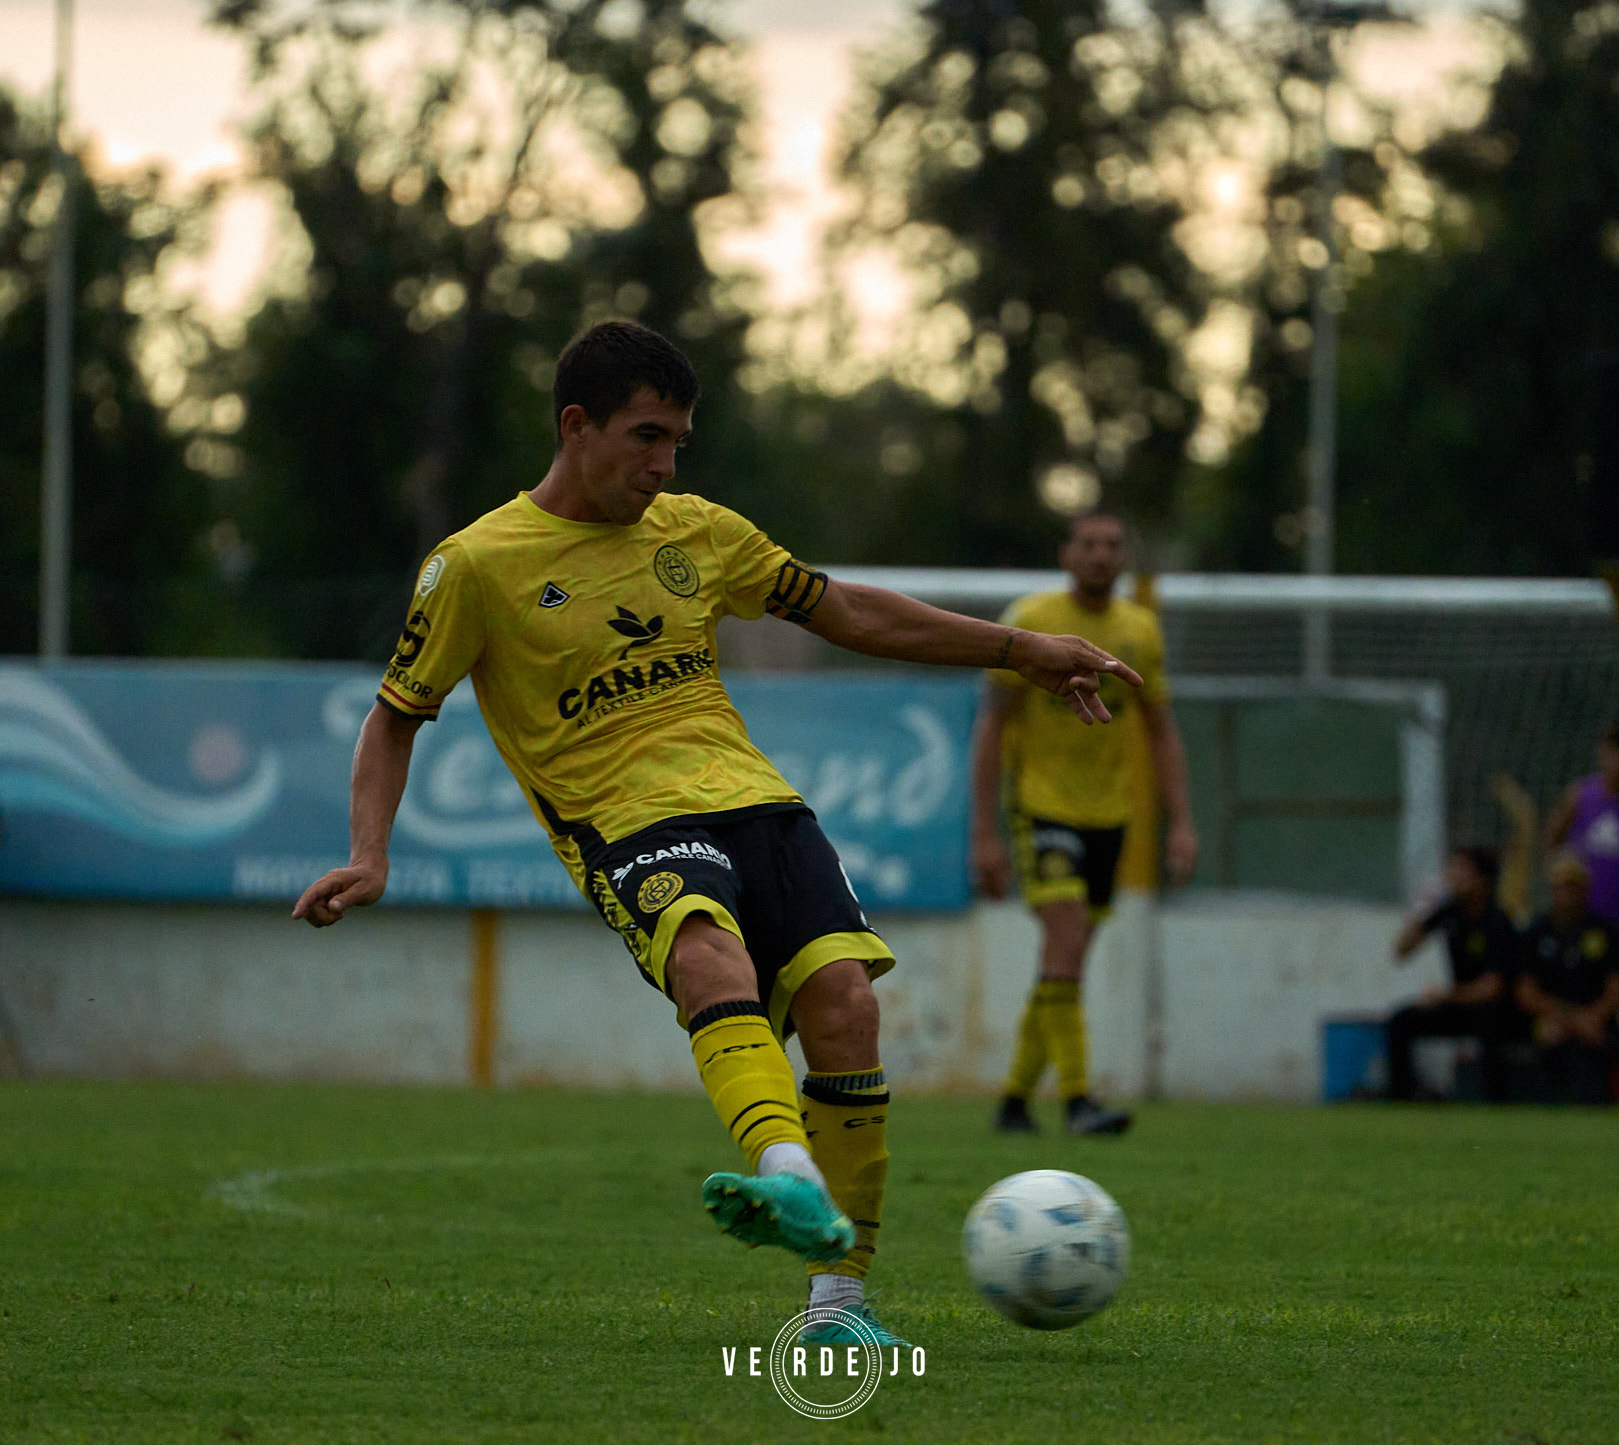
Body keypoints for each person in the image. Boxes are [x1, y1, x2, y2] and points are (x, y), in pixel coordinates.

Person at [291, 321, 1144, 1348]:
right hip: (621, 817)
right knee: (708, 952)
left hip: (758, 802)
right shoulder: (475, 564)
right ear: (576, 425)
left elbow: (847, 611)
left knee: (844, 1007)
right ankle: (784, 1170)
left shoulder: (698, 531)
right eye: (645, 436)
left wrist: (1016, 649)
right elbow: (394, 714)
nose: (663, 463)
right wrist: (370, 851)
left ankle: (838, 1307)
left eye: (677, 442)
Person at [968, 512, 1197, 1137]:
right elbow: (991, 727)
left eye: (1113, 545)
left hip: (1111, 813)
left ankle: (1015, 1100)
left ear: (1124, 559)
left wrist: (1181, 824)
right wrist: (982, 832)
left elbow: (1160, 729)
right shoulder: (1031, 620)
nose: (1101, 555)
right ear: (1067, 554)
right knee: (1066, 941)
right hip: (1041, 805)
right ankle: (1078, 1102)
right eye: (1089, 544)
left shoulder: (1140, 630)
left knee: (1064, 961)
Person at [1385, 845, 1520, 1102]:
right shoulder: (1448, 913)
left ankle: (1496, 1101)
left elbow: (1492, 988)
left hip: (1496, 1009)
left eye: (1462, 869)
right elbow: (1402, 950)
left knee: (1491, 1024)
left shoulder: (1497, 921)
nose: (1453, 875)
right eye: (1452, 868)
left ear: (1483, 881)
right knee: (1400, 1022)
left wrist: (1445, 997)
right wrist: (1423, 909)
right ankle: (1403, 1094)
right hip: (1460, 1005)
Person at [1515, 850, 1619, 1104]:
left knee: (1593, 1045)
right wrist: (1570, 1018)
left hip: (1595, 1020)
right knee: (1550, 1036)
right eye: (1561, 888)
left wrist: (1592, 1018)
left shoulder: (1605, 932)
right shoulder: (1537, 931)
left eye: (1573, 887)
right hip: (1553, 1018)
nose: (1567, 896)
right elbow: (1526, 993)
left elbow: (1616, 991)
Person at [1545, 721, 1619, 960]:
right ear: (1603, 752)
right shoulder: (1580, 795)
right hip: (1579, 916)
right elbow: (1552, 841)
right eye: (1617, 751)